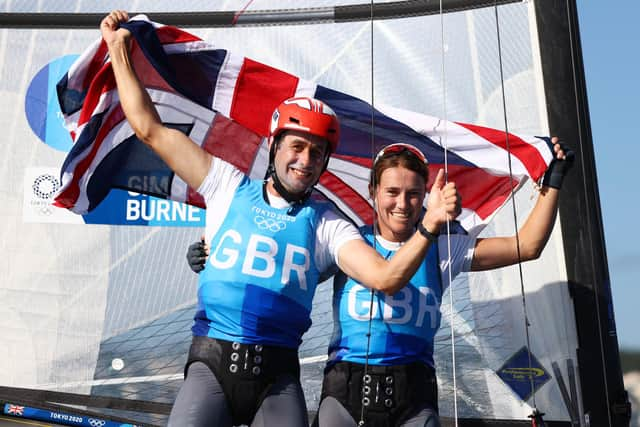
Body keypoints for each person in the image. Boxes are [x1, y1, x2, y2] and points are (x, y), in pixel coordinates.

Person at [100, 11, 461, 427]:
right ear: (274, 147)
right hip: (211, 363)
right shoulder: (225, 185)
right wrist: (118, 52)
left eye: (316, 152)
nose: (304, 160)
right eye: (296, 146)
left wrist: (431, 224)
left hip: (277, 378)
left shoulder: (328, 224)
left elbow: (384, 277)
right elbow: (149, 128)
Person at [187, 140, 573, 427]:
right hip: (345, 393)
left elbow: (528, 246)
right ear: (373, 193)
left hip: (414, 397)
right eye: (392, 192)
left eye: (413, 194)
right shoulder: (346, 242)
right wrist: (210, 250)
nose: (402, 203)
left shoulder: (442, 247)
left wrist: (551, 182)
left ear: (427, 197)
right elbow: (277, 266)